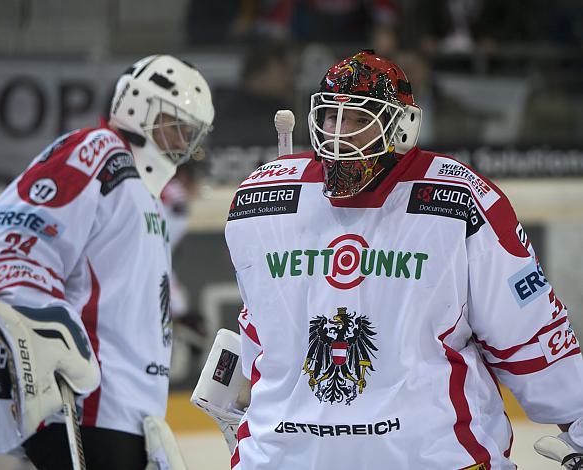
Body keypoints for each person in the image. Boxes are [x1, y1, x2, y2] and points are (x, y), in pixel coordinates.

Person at [223, 49, 583, 468]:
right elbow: (263, 339)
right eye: (330, 117)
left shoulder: (459, 200)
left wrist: (576, 418)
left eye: (360, 119)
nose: (340, 133)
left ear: (401, 125)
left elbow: (529, 332)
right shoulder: (258, 201)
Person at [0, 54, 214, 469]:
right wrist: (46, 334)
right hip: (87, 407)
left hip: (130, 413)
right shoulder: (101, 152)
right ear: (137, 107)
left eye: (189, 134)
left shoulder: (143, 194)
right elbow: (11, 236)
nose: (181, 144)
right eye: (175, 127)